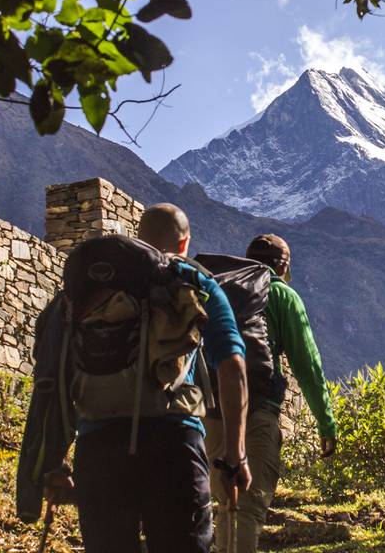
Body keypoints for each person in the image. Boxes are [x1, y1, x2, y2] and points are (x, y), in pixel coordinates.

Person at [46, 203, 252, 553]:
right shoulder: (191, 279)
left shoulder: (91, 289)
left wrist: (52, 461)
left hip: (98, 447)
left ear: (139, 237)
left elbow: (53, 374)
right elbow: (232, 366)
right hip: (174, 443)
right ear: (184, 242)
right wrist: (235, 455)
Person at [206, 233, 338, 553]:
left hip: (210, 414)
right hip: (257, 410)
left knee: (225, 506)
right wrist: (326, 422)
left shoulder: (219, 291)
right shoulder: (282, 295)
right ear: (283, 266)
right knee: (249, 507)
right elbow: (308, 365)